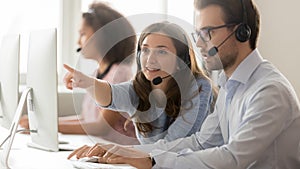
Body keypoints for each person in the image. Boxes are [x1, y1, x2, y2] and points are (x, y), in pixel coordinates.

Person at [67, 0, 300, 168]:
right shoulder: (231, 84)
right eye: (198, 33)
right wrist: (127, 152)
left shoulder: (268, 91)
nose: (198, 43)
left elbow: (233, 158)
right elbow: (200, 142)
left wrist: (150, 160)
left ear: (242, 33)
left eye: (208, 32)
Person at [63, 21, 217, 145]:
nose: (150, 59)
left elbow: (174, 145)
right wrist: (87, 83)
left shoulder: (199, 87)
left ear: (181, 61)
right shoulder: (140, 86)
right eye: (145, 50)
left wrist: (124, 152)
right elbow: (112, 94)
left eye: (161, 51)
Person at [19, 2, 137, 145]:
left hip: (118, 153)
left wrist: (45, 126)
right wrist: (43, 123)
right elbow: (86, 119)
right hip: (98, 147)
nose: (78, 42)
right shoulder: (96, 73)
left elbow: (101, 127)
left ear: (102, 35)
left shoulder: (120, 73)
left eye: (82, 34)